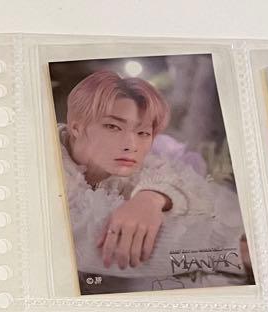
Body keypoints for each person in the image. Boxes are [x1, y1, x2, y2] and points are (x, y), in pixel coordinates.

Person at [58, 69, 248, 291]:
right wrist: (238, 251)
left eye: (143, 133)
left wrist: (151, 199)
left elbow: (186, 181)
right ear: (76, 127)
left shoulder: (125, 163)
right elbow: (101, 244)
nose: (131, 145)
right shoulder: (44, 171)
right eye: (113, 127)